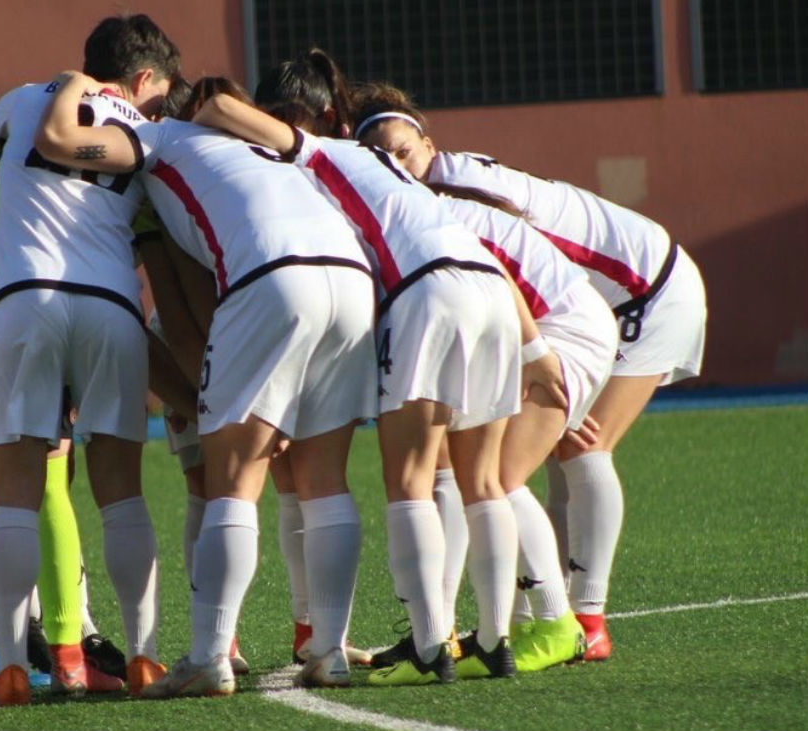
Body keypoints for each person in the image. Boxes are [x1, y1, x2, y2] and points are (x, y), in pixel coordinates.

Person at [192, 50, 563, 685]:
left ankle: (428, 644)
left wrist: (218, 117)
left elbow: (222, 109)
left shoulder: (323, 156)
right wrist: (534, 351)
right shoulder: (401, 176)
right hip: (490, 296)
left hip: (425, 293)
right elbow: (491, 262)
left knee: (411, 480)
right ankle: (495, 638)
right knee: (483, 482)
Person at [36, 73, 377, 694]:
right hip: (353, 279)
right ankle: (329, 650)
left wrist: (69, 89)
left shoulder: (157, 136)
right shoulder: (268, 146)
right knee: (325, 480)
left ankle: (211, 656)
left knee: (231, 484)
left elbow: (61, 141)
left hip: (272, 276)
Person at [358, 83, 708, 659]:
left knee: (570, 450)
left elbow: (512, 267)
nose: (396, 167)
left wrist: (548, 362)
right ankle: (523, 617)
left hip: (643, 293)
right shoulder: (423, 193)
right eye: (381, 159)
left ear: (428, 143)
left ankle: (582, 619)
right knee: (507, 464)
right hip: (574, 307)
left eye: (404, 152)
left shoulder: (450, 193)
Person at [0, 14, 181, 706]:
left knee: (14, 485)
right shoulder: (147, 135)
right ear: (138, 80)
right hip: (111, 305)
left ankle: (12, 664)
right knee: (120, 490)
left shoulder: (22, 99)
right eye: (157, 91)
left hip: (22, 300)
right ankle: (145, 656)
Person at [428, 184, 617, 671]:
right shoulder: (426, 205)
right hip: (541, 328)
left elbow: (498, 278)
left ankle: (559, 624)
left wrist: (538, 356)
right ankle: (469, 626)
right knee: (469, 472)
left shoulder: (424, 212)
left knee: (496, 479)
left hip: (555, 331)